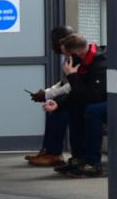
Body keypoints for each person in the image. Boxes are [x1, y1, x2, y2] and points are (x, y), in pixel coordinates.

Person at [46, 32, 109, 178]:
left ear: (78, 52)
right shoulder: (78, 59)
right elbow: (77, 92)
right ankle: (79, 158)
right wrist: (58, 104)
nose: (65, 58)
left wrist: (72, 76)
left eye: (66, 54)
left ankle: (93, 163)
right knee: (74, 108)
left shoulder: (100, 63)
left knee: (92, 110)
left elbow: (92, 97)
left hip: (114, 102)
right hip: (94, 98)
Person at [23, 25, 77, 167]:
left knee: (58, 109)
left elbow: (73, 85)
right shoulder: (66, 57)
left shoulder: (75, 57)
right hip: (74, 94)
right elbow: (65, 81)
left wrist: (47, 94)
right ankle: (48, 151)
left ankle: (55, 154)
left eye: (52, 41)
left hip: (81, 97)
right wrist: (48, 92)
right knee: (52, 104)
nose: (50, 44)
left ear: (61, 42)